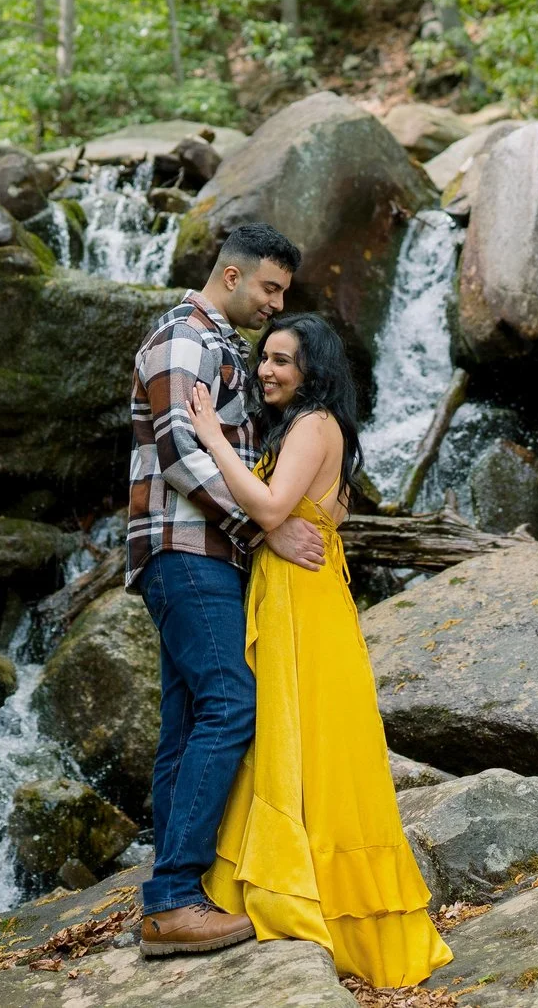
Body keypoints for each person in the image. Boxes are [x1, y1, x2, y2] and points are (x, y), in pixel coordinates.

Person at [183, 312, 454, 986]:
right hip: (300, 596)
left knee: (311, 740)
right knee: (298, 737)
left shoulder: (314, 424)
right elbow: (308, 517)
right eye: (264, 358)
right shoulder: (314, 427)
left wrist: (213, 438)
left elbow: (274, 507)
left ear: (314, 370)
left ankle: (318, 899)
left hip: (304, 607)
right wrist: (275, 530)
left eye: (282, 361)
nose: (267, 370)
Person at [128, 221, 330, 958]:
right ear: (234, 275)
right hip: (189, 550)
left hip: (201, 552)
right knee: (231, 702)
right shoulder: (186, 334)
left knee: (185, 722)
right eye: (271, 287)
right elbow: (181, 448)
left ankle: (174, 892)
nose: (278, 304)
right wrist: (262, 527)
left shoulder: (225, 348)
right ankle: (175, 897)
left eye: (285, 291)